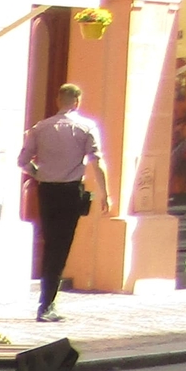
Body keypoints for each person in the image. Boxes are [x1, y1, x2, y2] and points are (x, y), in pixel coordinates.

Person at [18, 83, 109, 323]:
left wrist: (39, 174)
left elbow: (23, 161)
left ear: (59, 100)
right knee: (61, 246)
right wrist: (105, 194)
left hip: (47, 190)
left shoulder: (40, 128)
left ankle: (47, 301)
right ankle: (47, 304)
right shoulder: (86, 127)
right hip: (70, 190)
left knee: (50, 242)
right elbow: (96, 161)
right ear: (77, 101)